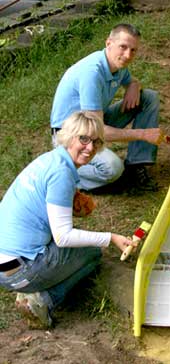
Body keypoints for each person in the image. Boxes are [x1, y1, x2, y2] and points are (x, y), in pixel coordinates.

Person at [0, 112, 137, 328]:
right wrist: (110, 237)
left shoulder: (49, 159)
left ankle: (35, 285)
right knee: (92, 253)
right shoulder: (61, 173)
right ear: (69, 136)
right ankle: (44, 299)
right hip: (19, 270)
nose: (90, 148)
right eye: (84, 139)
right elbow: (63, 236)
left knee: (76, 243)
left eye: (96, 142)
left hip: (5, 263)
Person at [49, 23, 163, 192]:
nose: (127, 55)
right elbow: (97, 129)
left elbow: (130, 80)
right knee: (112, 168)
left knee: (148, 98)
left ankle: (136, 166)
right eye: (123, 47)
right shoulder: (92, 73)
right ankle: (63, 169)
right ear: (108, 43)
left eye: (133, 50)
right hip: (70, 134)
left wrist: (133, 85)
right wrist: (143, 134)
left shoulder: (117, 66)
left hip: (93, 121)